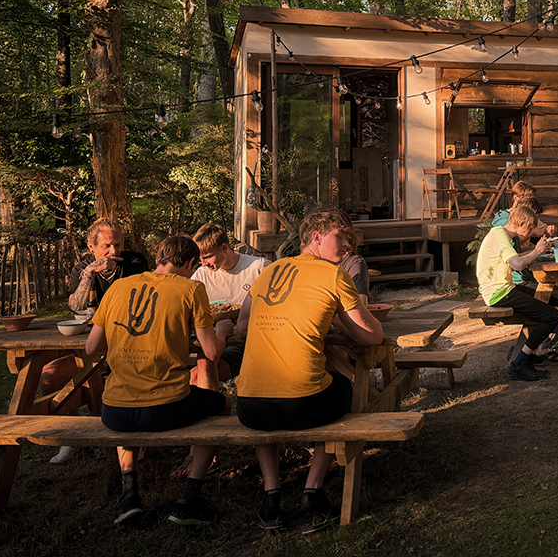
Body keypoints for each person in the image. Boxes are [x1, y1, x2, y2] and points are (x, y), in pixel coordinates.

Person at [235, 211, 385, 533]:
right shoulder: (332, 275)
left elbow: (242, 325)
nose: (346, 244)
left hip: (248, 406)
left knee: (266, 388)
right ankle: (312, 490)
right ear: (316, 238)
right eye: (339, 237)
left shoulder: (270, 270)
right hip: (302, 406)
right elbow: (370, 336)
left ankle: (271, 496)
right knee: (342, 385)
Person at [86, 234, 231, 526]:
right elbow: (212, 352)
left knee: (129, 399)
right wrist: (224, 331)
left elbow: (91, 348)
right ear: (191, 263)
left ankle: (129, 496)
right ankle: (189, 499)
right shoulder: (191, 288)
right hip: (164, 407)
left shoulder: (118, 287)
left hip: (113, 411)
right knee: (220, 405)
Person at [46, 219, 149, 465]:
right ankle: (71, 438)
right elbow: (76, 307)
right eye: (107, 246)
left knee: (115, 375)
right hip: (89, 341)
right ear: (91, 246)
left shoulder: (135, 263)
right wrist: (88, 275)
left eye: (118, 245)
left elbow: (137, 303)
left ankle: (135, 439)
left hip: (128, 340)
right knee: (49, 378)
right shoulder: (81, 268)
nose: (114, 252)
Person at [477, 206, 558, 381]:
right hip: (499, 293)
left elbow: (517, 260)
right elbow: (517, 265)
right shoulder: (499, 236)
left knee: (551, 301)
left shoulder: (502, 235)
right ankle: (520, 363)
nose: (529, 233)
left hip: (503, 289)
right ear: (521, 222)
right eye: (529, 228)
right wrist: (537, 251)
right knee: (551, 315)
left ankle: (531, 350)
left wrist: (536, 252)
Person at [190, 223, 269, 383]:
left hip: (246, 343)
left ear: (225, 248)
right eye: (200, 259)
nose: (204, 263)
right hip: (212, 340)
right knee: (193, 375)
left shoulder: (258, 267)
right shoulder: (201, 275)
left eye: (208, 257)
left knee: (198, 376)